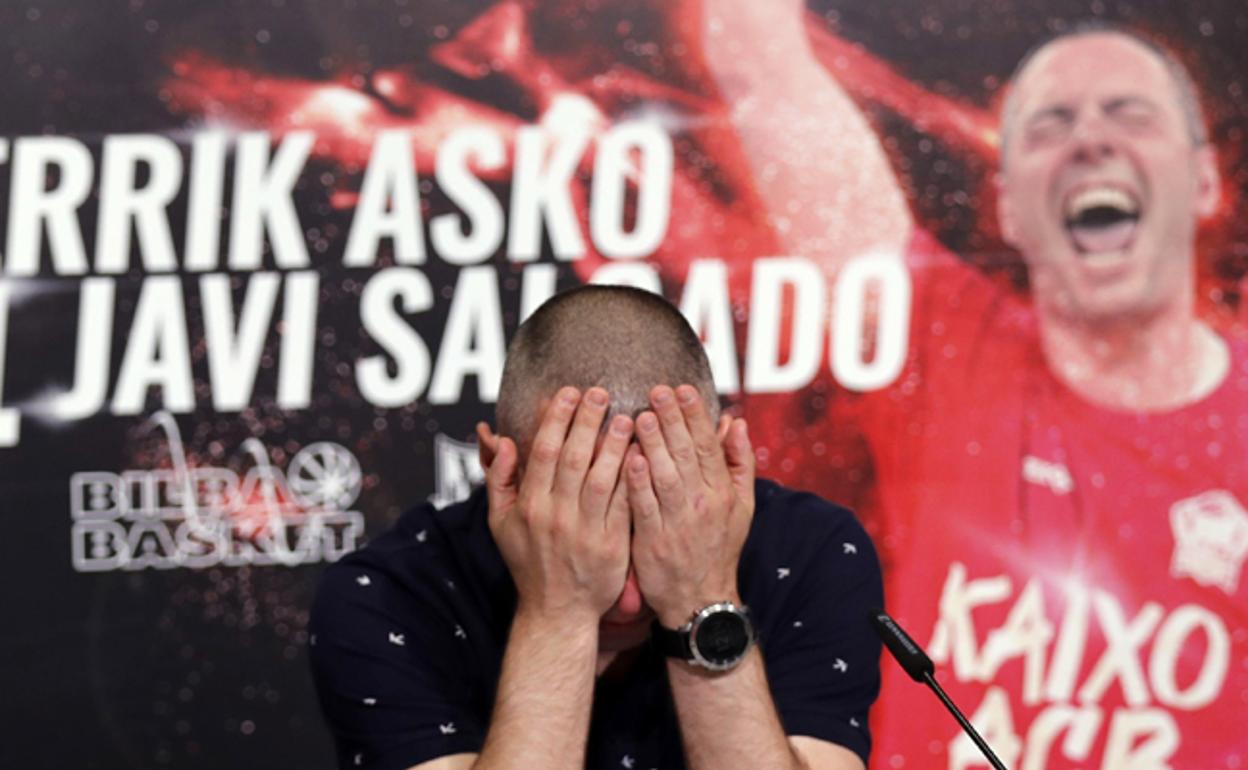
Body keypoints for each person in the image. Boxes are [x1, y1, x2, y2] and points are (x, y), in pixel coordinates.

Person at [697, 6, 1248, 769]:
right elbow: (757, 63)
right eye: (1051, 124)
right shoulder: (940, 348)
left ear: (1208, 179)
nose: (1091, 139)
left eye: (1131, 114)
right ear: (1011, 206)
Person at [309, 285, 884, 770]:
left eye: (666, 510)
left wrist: (700, 598)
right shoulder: (387, 595)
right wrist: (559, 612)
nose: (629, 591)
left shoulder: (814, 552)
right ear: (497, 467)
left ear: (726, 462)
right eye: (579, 508)